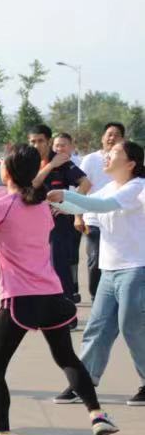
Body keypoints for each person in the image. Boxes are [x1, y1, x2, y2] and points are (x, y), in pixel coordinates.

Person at [0, 144, 118, 435]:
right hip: (52, 296)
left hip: (19, 299)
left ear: (7, 171)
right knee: (67, 358)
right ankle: (97, 414)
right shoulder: (42, 207)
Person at [48, 141, 145, 407]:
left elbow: (103, 206)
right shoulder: (109, 187)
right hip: (109, 269)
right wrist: (56, 203)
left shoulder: (137, 187)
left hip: (136, 268)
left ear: (131, 163)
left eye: (114, 153)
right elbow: (86, 207)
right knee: (97, 327)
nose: (107, 156)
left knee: (132, 326)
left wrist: (65, 195)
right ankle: (83, 382)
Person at [30, 124, 91, 310]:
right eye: (32, 141)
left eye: (40, 141)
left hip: (57, 223)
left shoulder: (62, 161)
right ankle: (43, 308)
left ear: (48, 141)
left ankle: (67, 310)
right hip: (32, 223)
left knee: (59, 266)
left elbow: (85, 183)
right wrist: (50, 166)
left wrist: (70, 206)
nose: (36, 145)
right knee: (36, 267)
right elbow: (32, 185)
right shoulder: (28, 161)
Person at [79, 122, 127, 303]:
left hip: (119, 219)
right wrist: (77, 216)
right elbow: (82, 189)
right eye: (109, 134)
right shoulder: (90, 160)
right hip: (94, 219)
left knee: (117, 260)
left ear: (123, 139)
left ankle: (114, 296)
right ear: (102, 137)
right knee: (95, 258)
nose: (112, 138)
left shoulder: (127, 161)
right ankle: (96, 297)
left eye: (116, 135)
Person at [52, 133, 84, 303]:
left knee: (70, 256)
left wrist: (74, 209)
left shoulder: (75, 164)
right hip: (55, 219)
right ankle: (70, 291)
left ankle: (70, 292)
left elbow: (86, 185)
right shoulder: (51, 164)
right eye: (56, 145)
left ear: (71, 147)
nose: (59, 148)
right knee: (60, 258)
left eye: (63, 145)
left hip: (73, 216)